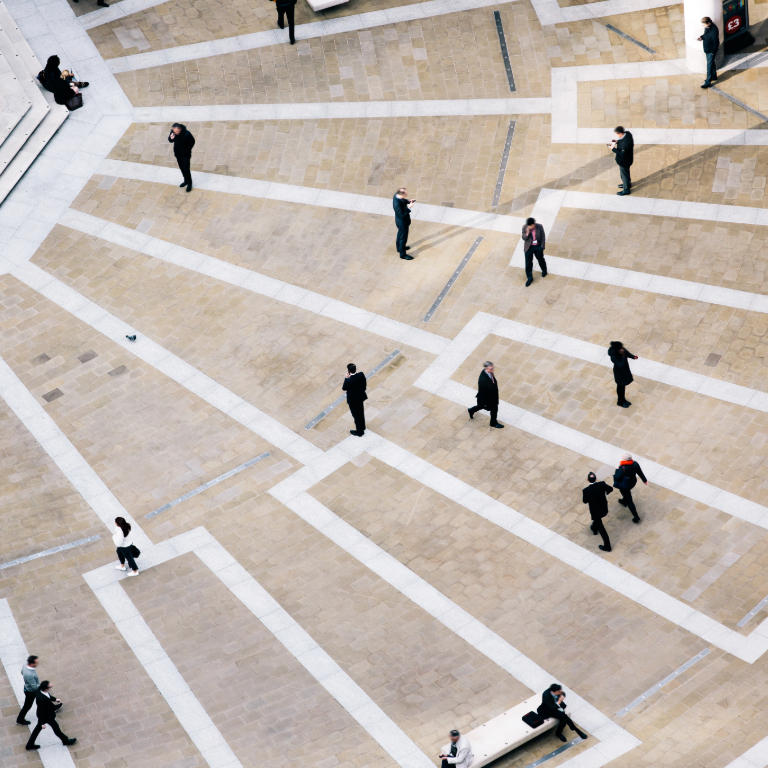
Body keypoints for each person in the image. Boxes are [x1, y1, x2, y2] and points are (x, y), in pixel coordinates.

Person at [26, 681, 76, 751]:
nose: (52, 685)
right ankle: (65, 740)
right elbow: (47, 709)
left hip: (45, 715)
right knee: (56, 729)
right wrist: (42, 723)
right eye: (50, 686)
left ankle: (29, 744)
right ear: (46, 688)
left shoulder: (40, 690)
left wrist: (55, 699)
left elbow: (48, 696)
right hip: (46, 716)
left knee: (37, 730)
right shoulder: (43, 700)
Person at [16, 656, 61, 725]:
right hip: (31, 691)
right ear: (32, 663)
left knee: (41, 698)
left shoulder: (25, 665)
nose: (38, 663)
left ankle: (53, 707)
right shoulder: (29, 674)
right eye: (36, 662)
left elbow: (22, 672)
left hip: (29, 689)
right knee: (28, 705)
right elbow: (34, 687)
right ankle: (20, 720)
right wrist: (44, 686)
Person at [582, 472, 613, 552]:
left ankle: (607, 546)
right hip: (603, 509)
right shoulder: (602, 484)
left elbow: (585, 501)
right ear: (596, 479)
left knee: (602, 529)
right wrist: (604, 494)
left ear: (587, 479)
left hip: (595, 512)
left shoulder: (586, 491)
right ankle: (594, 528)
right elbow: (610, 489)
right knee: (597, 522)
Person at [613, 453, 647, 523]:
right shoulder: (635, 464)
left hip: (624, 485)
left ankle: (636, 517)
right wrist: (644, 480)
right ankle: (624, 500)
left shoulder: (622, 467)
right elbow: (640, 472)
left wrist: (617, 469)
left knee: (629, 501)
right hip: (632, 482)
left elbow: (617, 477)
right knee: (626, 494)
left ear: (625, 459)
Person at [468, 361, 503, 428]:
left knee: (485, 407)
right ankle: (493, 423)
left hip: (492, 396)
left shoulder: (489, 372)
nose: (493, 370)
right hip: (487, 398)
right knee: (491, 408)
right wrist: (484, 402)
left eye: (493, 368)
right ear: (486, 368)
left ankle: (471, 410)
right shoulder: (483, 380)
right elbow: (482, 392)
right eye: (491, 369)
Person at [607, 340, 637, 408]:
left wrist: (633, 357)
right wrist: (623, 356)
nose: (622, 349)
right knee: (620, 386)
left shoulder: (621, 350)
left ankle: (623, 399)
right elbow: (620, 365)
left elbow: (627, 353)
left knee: (622, 386)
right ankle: (620, 401)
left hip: (625, 371)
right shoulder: (614, 356)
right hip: (619, 373)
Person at [168, 123, 195, 193]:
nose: (176, 133)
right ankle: (185, 181)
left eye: (177, 131)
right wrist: (171, 137)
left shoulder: (187, 134)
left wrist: (187, 150)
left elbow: (192, 142)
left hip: (185, 155)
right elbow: (170, 140)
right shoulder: (173, 132)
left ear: (180, 129)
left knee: (186, 169)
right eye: (174, 131)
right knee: (182, 168)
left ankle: (189, 184)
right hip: (178, 154)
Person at [343, 363, 367, 436]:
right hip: (360, 397)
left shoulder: (349, 380)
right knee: (361, 412)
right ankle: (363, 427)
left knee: (356, 416)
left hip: (353, 400)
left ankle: (360, 431)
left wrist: (346, 378)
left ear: (349, 371)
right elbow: (364, 384)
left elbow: (344, 388)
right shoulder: (361, 374)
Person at [521, 217, 547, 287]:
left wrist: (542, 247)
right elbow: (523, 238)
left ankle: (544, 270)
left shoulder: (539, 226)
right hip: (528, 248)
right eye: (530, 226)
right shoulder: (524, 227)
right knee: (528, 263)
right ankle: (529, 278)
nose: (531, 227)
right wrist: (527, 233)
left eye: (532, 226)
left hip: (537, 246)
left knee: (541, 259)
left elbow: (543, 237)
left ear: (534, 224)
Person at [609, 127, 634, 196]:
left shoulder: (625, 144)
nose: (616, 135)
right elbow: (623, 141)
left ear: (620, 134)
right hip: (629, 159)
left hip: (624, 161)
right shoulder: (628, 134)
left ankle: (626, 190)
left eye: (617, 134)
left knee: (624, 175)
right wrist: (618, 142)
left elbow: (622, 153)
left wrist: (613, 149)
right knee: (626, 173)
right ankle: (628, 184)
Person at [393, 187, 415, 260]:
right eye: (405, 195)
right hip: (402, 222)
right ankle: (402, 254)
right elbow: (402, 215)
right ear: (402, 195)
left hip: (401, 221)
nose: (406, 195)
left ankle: (399, 248)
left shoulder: (397, 195)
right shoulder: (397, 205)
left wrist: (408, 201)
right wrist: (409, 208)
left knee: (400, 234)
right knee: (403, 238)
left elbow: (402, 200)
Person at [698, 17, 719, 88]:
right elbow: (706, 35)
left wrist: (712, 52)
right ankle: (714, 76)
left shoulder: (714, 32)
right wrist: (702, 37)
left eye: (704, 25)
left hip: (710, 51)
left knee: (709, 65)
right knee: (712, 62)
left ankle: (708, 81)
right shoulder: (708, 27)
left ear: (709, 23)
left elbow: (716, 43)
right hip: (708, 49)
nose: (703, 26)